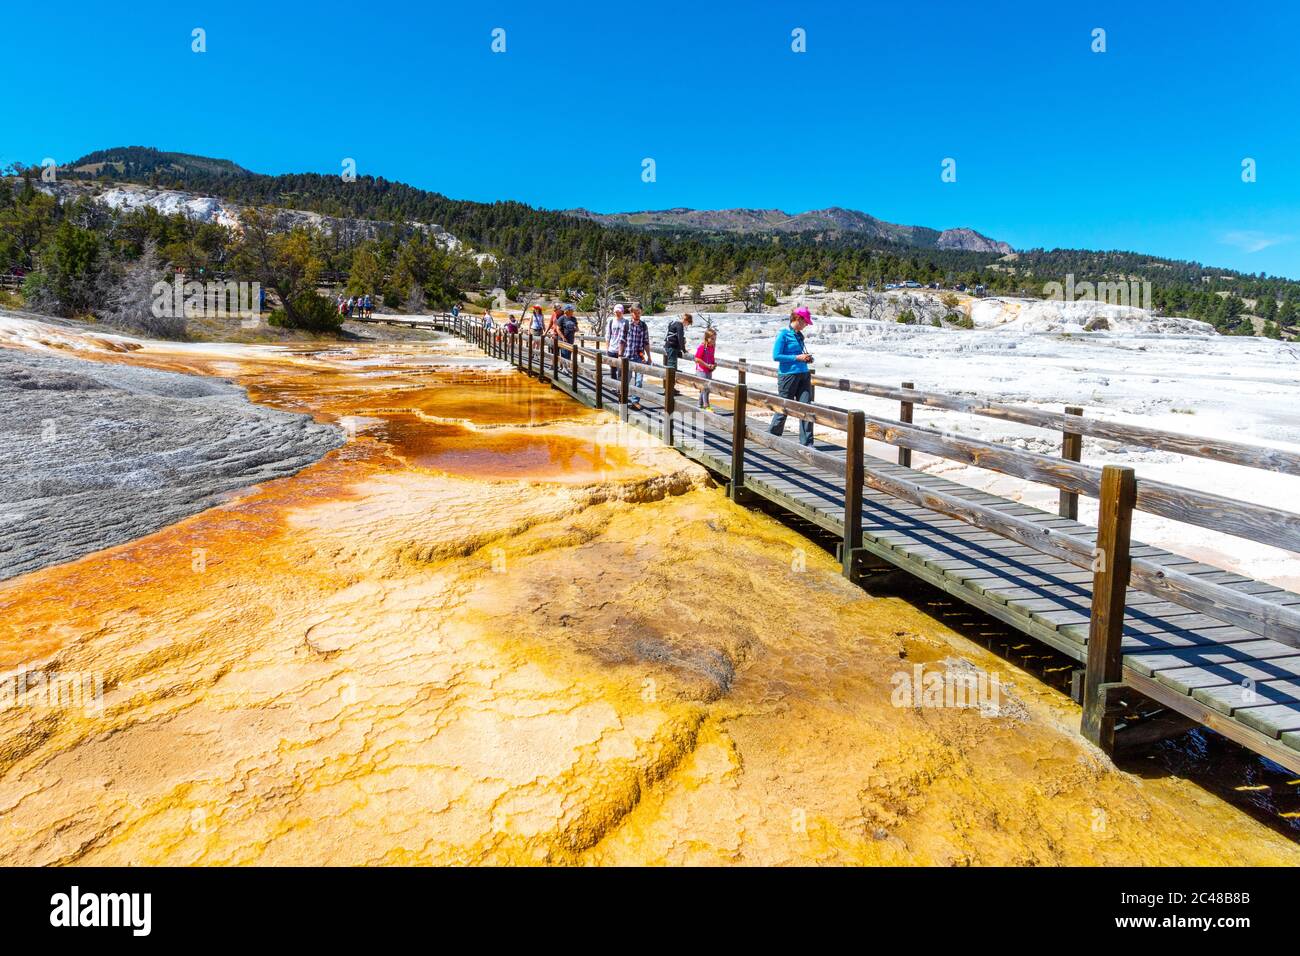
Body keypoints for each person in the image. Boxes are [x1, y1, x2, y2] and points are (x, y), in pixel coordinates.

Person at [768, 307, 815, 446]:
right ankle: (772, 437)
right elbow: (776, 356)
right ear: (798, 319)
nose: (806, 325)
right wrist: (797, 357)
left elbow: (799, 355)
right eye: (805, 322)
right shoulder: (783, 334)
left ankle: (807, 444)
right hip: (788, 376)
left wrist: (806, 359)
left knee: (806, 407)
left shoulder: (799, 335)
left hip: (803, 374)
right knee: (784, 408)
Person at [623, 306, 649, 410]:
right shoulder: (626, 324)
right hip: (627, 356)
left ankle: (635, 401)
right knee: (626, 379)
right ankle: (623, 398)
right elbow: (622, 340)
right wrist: (620, 355)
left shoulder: (643, 325)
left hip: (639, 356)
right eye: (635, 312)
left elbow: (646, 341)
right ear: (631, 313)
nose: (637, 314)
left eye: (639, 312)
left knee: (639, 380)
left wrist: (649, 357)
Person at [694, 327, 717, 410]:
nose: (714, 340)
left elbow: (712, 358)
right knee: (705, 388)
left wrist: (714, 364)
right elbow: (696, 359)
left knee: (706, 388)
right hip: (701, 370)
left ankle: (699, 404)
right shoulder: (702, 347)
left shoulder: (712, 347)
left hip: (709, 370)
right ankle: (706, 406)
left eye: (715, 339)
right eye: (712, 339)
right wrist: (706, 365)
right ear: (707, 338)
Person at [605, 304, 627, 383]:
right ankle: (614, 386)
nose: (617, 313)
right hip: (612, 349)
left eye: (619, 312)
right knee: (613, 369)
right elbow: (607, 336)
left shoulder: (626, 322)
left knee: (621, 370)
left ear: (622, 312)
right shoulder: (611, 322)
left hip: (622, 351)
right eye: (616, 311)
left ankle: (620, 387)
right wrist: (607, 349)